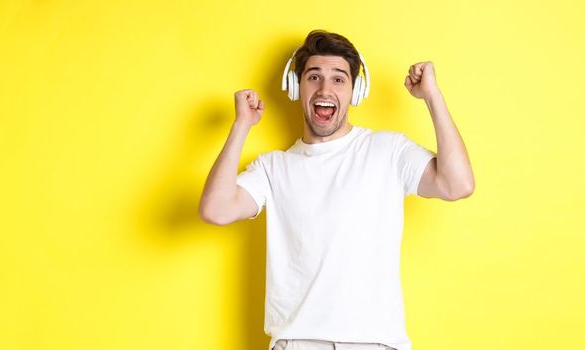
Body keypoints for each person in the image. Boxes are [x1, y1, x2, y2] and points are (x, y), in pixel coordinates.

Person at [198, 30, 474, 350]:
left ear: (356, 91)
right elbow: (215, 210)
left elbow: (458, 184)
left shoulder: (388, 150)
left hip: (375, 344)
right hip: (298, 343)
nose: (325, 89)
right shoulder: (272, 168)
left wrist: (432, 96)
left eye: (339, 79)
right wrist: (241, 125)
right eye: (313, 77)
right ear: (295, 87)